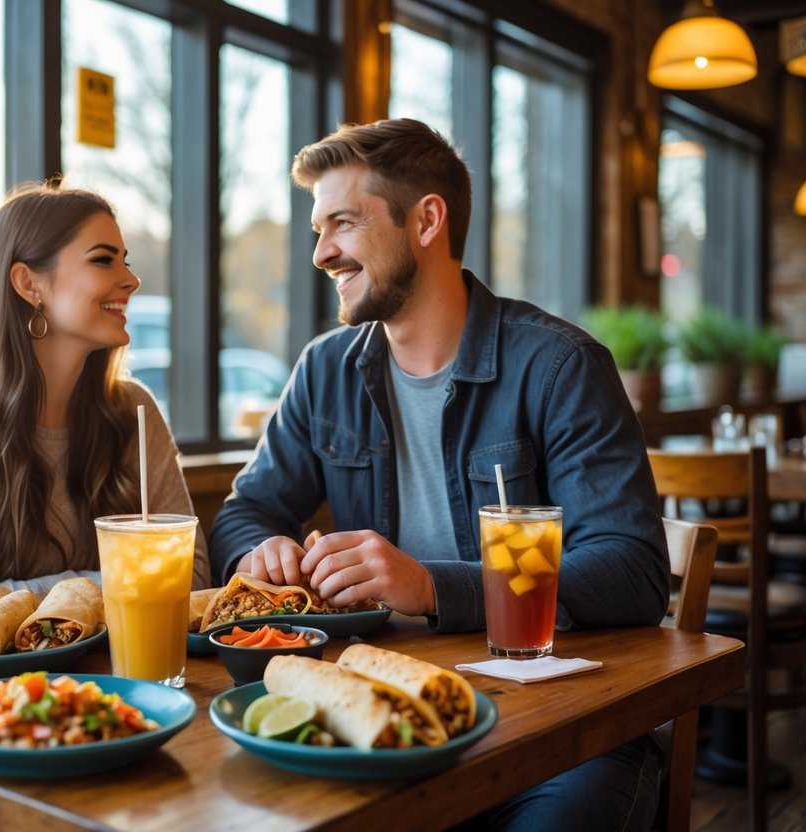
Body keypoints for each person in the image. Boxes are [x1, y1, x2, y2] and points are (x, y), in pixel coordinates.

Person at [209, 118, 669, 830]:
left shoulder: (557, 367)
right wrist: (257, 548)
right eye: (316, 229)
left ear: (425, 219)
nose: (322, 252)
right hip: (383, 720)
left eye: (341, 223)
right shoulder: (323, 370)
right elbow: (245, 513)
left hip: (564, 732)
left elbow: (632, 569)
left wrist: (430, 586)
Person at [0, 180, 210, 624]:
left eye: (125, 261)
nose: (131, 279)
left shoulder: (131, 409)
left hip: (90, 676)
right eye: (103, 260)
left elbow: (192, 576)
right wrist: (111, 585)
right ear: (29, 283)